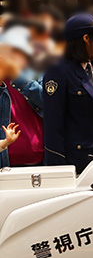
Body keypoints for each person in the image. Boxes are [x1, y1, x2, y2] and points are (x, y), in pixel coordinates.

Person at [43, 13, 93, 172]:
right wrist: (58, 169)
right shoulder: (58, 71)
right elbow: (53, 124)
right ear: (86, 38)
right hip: (76, 161)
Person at [0, 26, 34, 168]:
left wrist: (18, 76)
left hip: (38, 155)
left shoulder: (36, 72)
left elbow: (48, 103)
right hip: (5, 158)